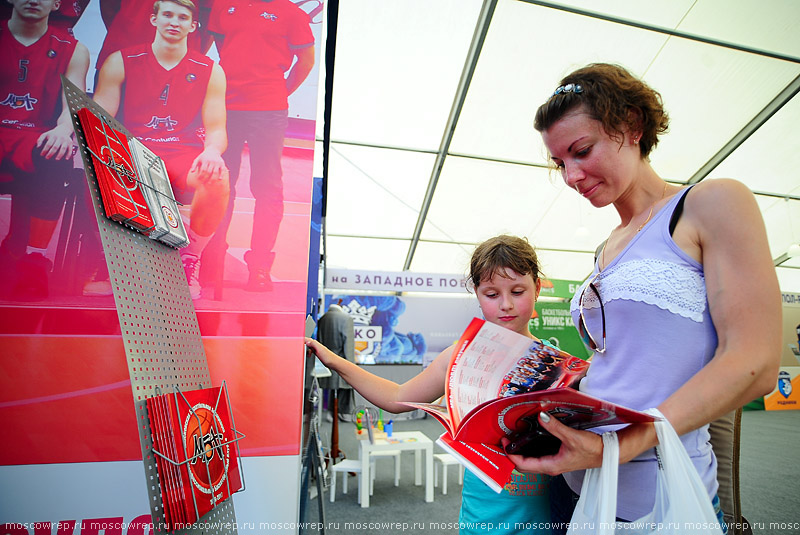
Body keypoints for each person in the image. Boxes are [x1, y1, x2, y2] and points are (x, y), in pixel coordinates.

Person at [503, 63, 781, 533]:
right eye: (560, 163)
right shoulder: (606, 246)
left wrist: (622, 444)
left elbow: (756, 363)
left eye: (581, 151)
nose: (571, 175)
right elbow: (626, 364)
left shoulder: (710, 203)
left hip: (665, 501)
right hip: (585, 491)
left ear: (631, 126)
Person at [306, 235, 554, 534]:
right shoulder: (461, 356)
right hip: (482, 523)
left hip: (548, 520)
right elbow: (398, 397)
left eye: (517, 291)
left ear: (537, 288)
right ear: (477, 293)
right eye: (491, 294)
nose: (506, 305)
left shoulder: (558, 367)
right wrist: (335, 361)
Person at [93, 0, 229, 299]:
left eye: (183, 17)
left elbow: (217, 128)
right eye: (167, 15)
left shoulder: (210, 70)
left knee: (217, 179)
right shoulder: (121, 60)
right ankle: (117, 261)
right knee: (103, 164)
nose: (174, 22)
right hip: (134, 149)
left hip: (181, 153)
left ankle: (189, 258)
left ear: (193, 26)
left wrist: (212, 152)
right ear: (154, 19)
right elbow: (100, 119)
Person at [205, 0, 315, 292]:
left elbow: (306, 62)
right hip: (226, 106)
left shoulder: (293, 14)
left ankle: (260, 267)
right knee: (220, 182)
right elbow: (222, 46)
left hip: (269, 111)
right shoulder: (224, 6)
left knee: (267, 188)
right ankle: (213, 254)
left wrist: (279, 90)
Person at [0, 0, 90, 299]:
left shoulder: (73, 49)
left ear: (56, 4)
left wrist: (64, 129)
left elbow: (72, 106)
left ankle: (33, 259)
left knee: (59, 153)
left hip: (34, 137)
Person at [316, 298, 355, 421]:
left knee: (330, 390)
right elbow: (348, 347)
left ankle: (330, 412)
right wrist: (351, 367)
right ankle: (340, 411)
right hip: (341, 362)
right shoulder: (346, 319)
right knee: (342, 389)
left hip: (325, 361)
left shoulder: (322, 319)